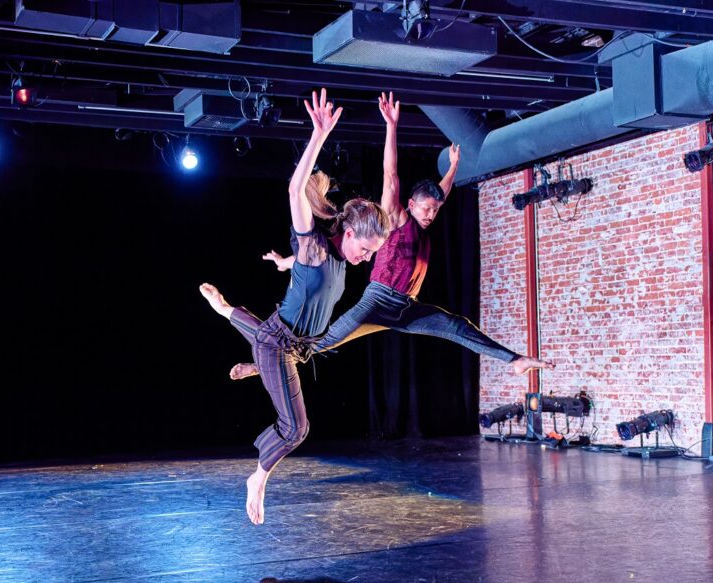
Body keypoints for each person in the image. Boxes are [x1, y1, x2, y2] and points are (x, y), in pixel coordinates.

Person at [231, 91, 552, 384]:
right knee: (322, 343)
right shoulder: (396, 219)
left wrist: (454, 167)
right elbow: (391, 174)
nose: (430, 214)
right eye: (425, 208)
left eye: (435, 210)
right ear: (411, 205)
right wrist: (391, 126)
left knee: (456, 325)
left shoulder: (426, 218)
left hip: (405, 307)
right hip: (378, 302)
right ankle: (263, 363)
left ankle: (515, 359)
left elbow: (442, 192)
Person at [200, 89, 391, 525]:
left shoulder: (337, 257)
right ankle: (258, 477)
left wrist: (284, 263)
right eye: (365, 248)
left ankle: (228, 315)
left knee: (266, 333)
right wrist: (319, 135)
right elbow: (293, 189)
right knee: (297, 429)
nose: (366, 258)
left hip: (293, 340)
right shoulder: (317, 249)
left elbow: (311, 277)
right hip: (280, 343)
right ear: (348, 234)